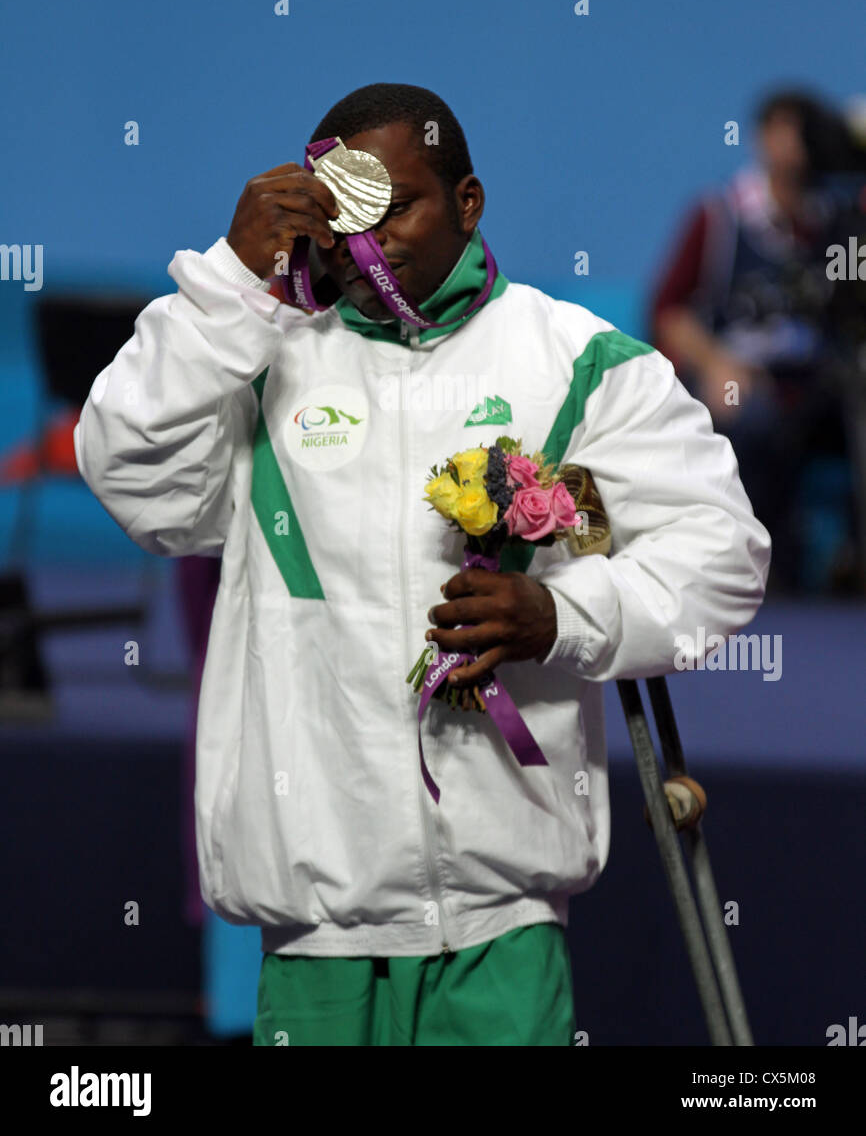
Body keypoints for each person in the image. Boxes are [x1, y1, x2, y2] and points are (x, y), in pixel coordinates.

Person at [73, 83, 769, 1046]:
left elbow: (723, 558)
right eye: (348, 214)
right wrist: (230, 282)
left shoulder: (575, 364)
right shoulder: (256, 363)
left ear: (469, 202)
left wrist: (561, 616)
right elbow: (126, 473)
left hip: (503, 930)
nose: (373, 241)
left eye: (399, 207)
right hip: (315, 933)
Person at [650, 88, 866, 593]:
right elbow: (669, 310)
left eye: (809, 134)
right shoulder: (719, 214)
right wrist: (716, 362)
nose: (799, 147)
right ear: (763, 138)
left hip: (818, 383)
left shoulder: (835, 221)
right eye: (789, 132)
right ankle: (752, 579)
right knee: (752, 417)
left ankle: (849, 569)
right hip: (742, 379)